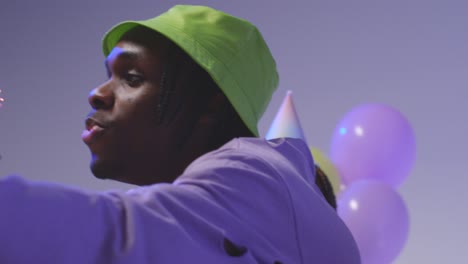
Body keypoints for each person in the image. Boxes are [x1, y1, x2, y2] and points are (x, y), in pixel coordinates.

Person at [0, 5, 360, 263]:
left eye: (132, 78)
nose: (97, 93)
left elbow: (115, 240)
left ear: (210, 107)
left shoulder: (258, 173)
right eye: (109, 74)